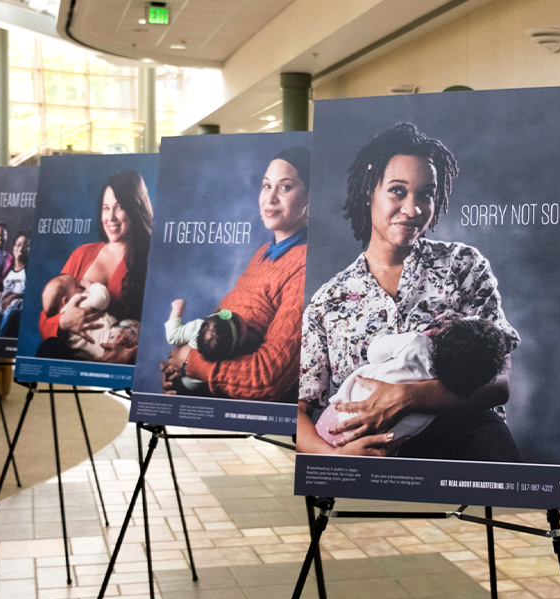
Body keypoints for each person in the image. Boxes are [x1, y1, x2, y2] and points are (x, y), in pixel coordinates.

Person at [299, 123, 521, 461]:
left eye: (426, 194)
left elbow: (499, 382)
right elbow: (299, 411)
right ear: (368, 191)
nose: (414, 209)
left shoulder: (462, 265)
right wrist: (335, 456)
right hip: (367, 449)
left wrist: (407, 398)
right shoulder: (329, 300)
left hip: (465, 438)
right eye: (398, 191)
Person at [160, 147, 310, 403]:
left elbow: (269, 376)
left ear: (310, 197)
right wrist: (176, 365)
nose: (270, 198)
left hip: (249, 407)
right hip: (210, 391)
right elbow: (218, 323)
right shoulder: (263, 253)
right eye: (266, 186)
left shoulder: (305, 263)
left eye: (284, 187)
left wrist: (189, 363)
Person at [315, 316, 510, 450]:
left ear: (440, 332)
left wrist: (408, 395)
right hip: (379, 444)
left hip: (339, 417)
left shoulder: (415, 343)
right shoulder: (444, 394)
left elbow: (374, 351)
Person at [36, 170, 152, 364]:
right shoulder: (82, 255)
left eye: (119, 207)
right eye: (106, 208)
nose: (111, 217)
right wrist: (63, 323)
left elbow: (158, 328)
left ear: (135, 207)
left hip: (118, 355)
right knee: (49, 350)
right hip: (77, 352)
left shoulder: (148, 260)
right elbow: (46, 316)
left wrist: (130, 354)